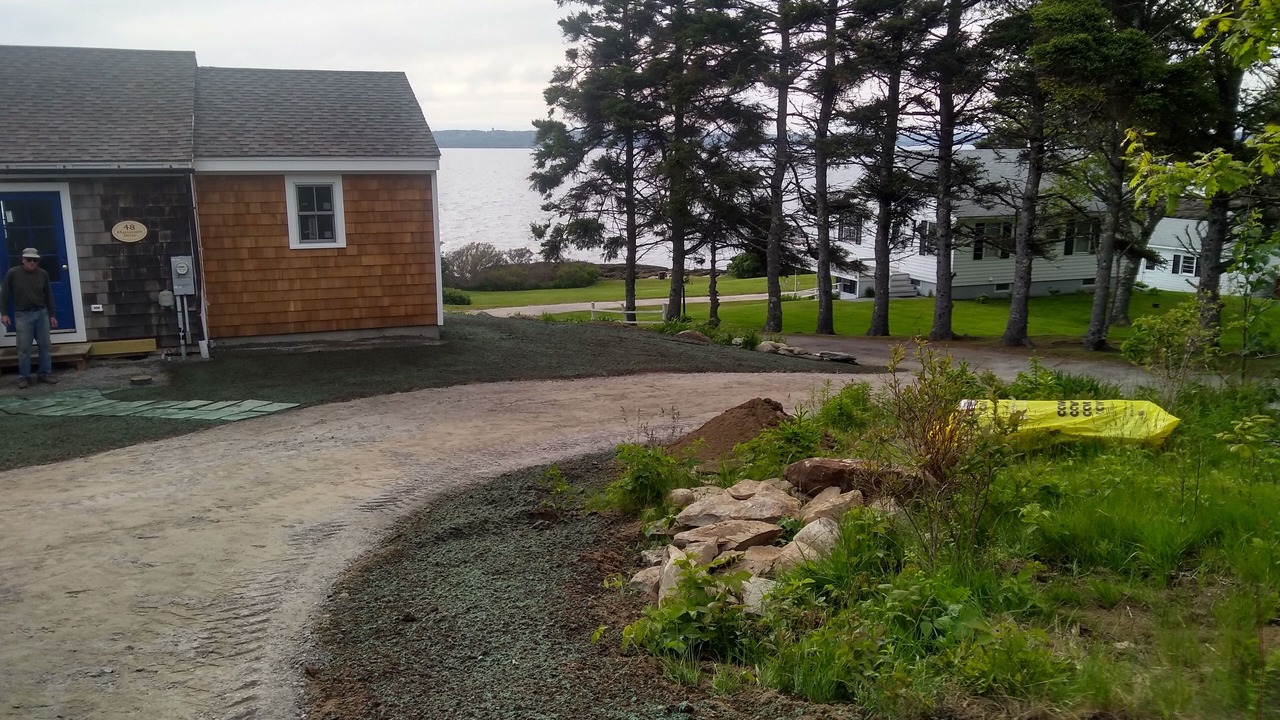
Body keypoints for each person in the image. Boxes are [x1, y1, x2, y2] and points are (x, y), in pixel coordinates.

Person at [1, 248, 59, 388]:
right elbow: (4, 293)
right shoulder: (12, 273)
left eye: (35, 260)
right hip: (22, 314)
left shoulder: (43, 274)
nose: (32, 262)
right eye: (29, 260)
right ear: (22, 260)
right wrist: (4, 313)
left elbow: (49, 295)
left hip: (42, 313)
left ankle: (45, 374)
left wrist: (52, 315)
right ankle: (24, 377)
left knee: (45, 345)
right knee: (24, 348)